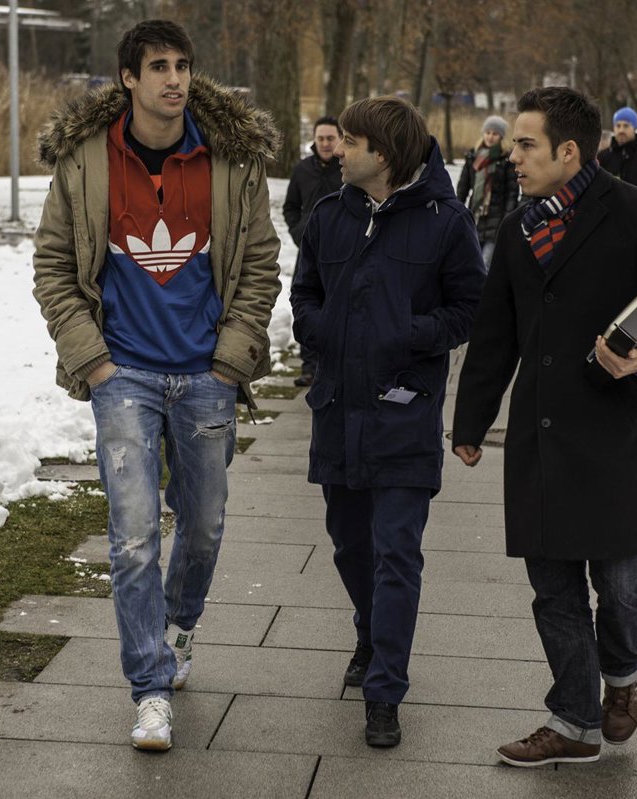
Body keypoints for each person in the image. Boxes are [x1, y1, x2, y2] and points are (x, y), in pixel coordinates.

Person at [31, 19, 281, 751]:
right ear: (129, 79)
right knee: (134, 535)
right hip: (124, 375)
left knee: (202, 525)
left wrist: (230, 361)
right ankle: (149, 687)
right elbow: (53, 266)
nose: (175, 79)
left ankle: (180, 623)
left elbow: (259, 265)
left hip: (206, 373)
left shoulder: (231, 158)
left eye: (183, 65)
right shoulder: (85, 159)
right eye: (159, 66)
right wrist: (94, 362)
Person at [451, 86, 637, 768]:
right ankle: (572, 718)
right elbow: (495, 332)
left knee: (622, 586)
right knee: (554, 590)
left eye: (526, 144)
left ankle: (621, 677)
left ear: (568, 151)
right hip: (542, 437)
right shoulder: (520, 227)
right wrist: (471, 420)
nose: (513, 156)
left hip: (621, 437)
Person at [291, 96, 485, 748]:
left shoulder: (446, 222)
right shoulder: (329, 215)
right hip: (337, 408)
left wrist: (409, 333)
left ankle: (385, 691)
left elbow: (470, 307)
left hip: (405, 410)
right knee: (351, 545)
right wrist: (321, 331)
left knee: (397, 554)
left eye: (350, 142)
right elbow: (304, 292)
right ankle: (370, 633)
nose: (338, 150)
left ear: (383, 152)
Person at [284, 116, 344, 386]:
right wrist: (299, 233)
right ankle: (309, 368)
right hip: (308, 251)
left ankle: (334, 367)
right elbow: (290, 207)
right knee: (306, 305)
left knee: (337, 306)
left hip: (341, 252)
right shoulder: (302, 169)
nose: (325, 143)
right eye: (320, 138)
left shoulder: (347, 168)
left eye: (330, 138)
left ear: (339, 139)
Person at [456, 115, 520, 267]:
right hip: (475, 218)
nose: (490, 137)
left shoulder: (506, 160)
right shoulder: (473, 156)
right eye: (488, 132)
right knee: (471, 262)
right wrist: (457, 210)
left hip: (496, 220)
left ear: (501, 137)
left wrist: (507, 219)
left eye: (495, 133)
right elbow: (463, 186)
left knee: (486, 263)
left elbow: (512, 192)